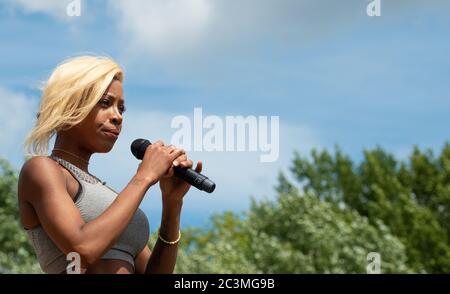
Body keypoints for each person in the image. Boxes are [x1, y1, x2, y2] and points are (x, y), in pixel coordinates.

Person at [18, 55, 202, 274]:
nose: (117, 117)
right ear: (69, 105)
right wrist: (144, 177)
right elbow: (82, 250)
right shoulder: (42, 170)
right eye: (105, 103)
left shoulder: (114, 199)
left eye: (121, 109)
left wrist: (172, 203)